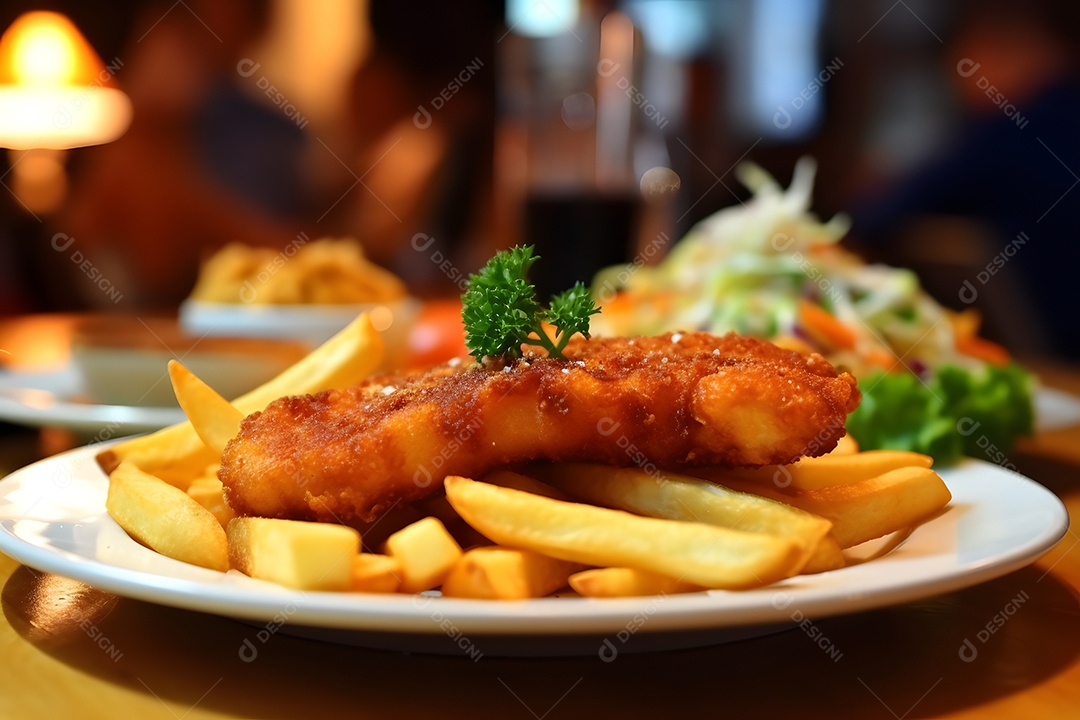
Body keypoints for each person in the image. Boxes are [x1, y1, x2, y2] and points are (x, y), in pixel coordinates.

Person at [848, 1, 1080, 360]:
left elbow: (876, 217)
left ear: (999, 48)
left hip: (1056, 359)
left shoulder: (1010, 131)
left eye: (963, 57)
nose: (957, 77)